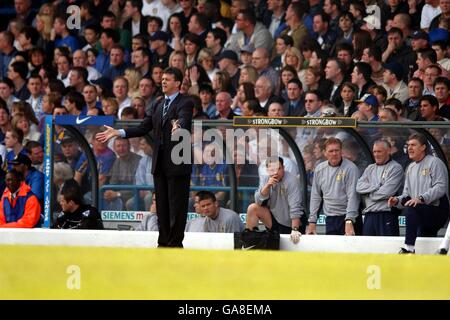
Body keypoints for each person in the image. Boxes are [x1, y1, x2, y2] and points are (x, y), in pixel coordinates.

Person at [96, 67, 194, 248]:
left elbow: (184, 118)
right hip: (160, 163)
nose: (163, 82)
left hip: (178, 162)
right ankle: (163, 243)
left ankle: (175, 244)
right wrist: (119, 132)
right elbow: (143, 127)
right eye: (162, 79)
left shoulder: (185, 102)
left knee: (177, 207)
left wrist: (178, 126)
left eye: (168, 79)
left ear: (178, 83)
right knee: (162, 207)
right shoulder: (157, 104)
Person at [388, 133, 450, 254]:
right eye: (408, 145)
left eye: (413, 145)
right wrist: (397, 200)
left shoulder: (435, 163)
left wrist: (421, 198)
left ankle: (409, 248)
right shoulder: (410, 167)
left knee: (411, 208)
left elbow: (441, 187)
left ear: (423, 147)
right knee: (425, 251)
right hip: (421, 211)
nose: (409, 148)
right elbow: (407, 194)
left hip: (438, 209)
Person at [308, 137, 360, 235]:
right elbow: (316, 196)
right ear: (325, 153)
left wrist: (349, 220)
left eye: (337, 150)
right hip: (330, 218)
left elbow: (353, 196)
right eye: (331, 151)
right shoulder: (320, 169)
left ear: (341, 151)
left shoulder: (351, 168)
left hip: (348, 218)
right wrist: (312, 221)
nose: (334, 153)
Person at [245, 157, 304, 244]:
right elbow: (258, 201)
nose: (275, 172)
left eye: (278, 169)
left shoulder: (292, 180)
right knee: (252, 208)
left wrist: (295, 229)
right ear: (267, 170)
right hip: (274, 220)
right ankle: (250, 242)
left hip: (290, 224)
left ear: (283, 168)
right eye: (272, 169)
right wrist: (267, 186)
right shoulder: (266, 179)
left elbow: (295, 206)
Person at [356, 139, 404, 236]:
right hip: (369, 215)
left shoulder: (396, 168)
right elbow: (358, 187)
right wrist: (378, 186)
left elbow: (386, 192)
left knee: (387, 249)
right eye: (374, 151)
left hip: (386, 215)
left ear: (388, 151)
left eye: (379, 151)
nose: (376, 154)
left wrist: (368, 194)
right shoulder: (370, 168)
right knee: (368, 249)